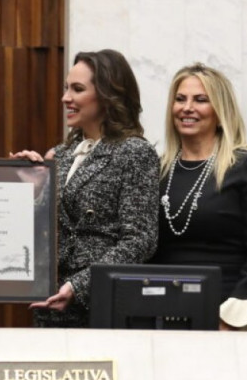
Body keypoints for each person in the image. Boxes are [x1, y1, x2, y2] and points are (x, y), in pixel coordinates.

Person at [13, 49, 158, 328]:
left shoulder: (135, 153)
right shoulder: (60, 154)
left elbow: (140, 240)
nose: (66, 98)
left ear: (107, 95)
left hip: (99, 305)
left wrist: (79, 286)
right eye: (66, 88)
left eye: (77, 89)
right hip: (52, 303)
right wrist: (32, 192)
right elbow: (43, 233)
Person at [151, 63, 247, 330]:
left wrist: (233, 317)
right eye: (180, 99)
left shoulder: (246, 167)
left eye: (200, 100)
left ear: (220, 112)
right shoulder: (158, 170)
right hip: (163, 314)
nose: (187, 108)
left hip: (227, 316)